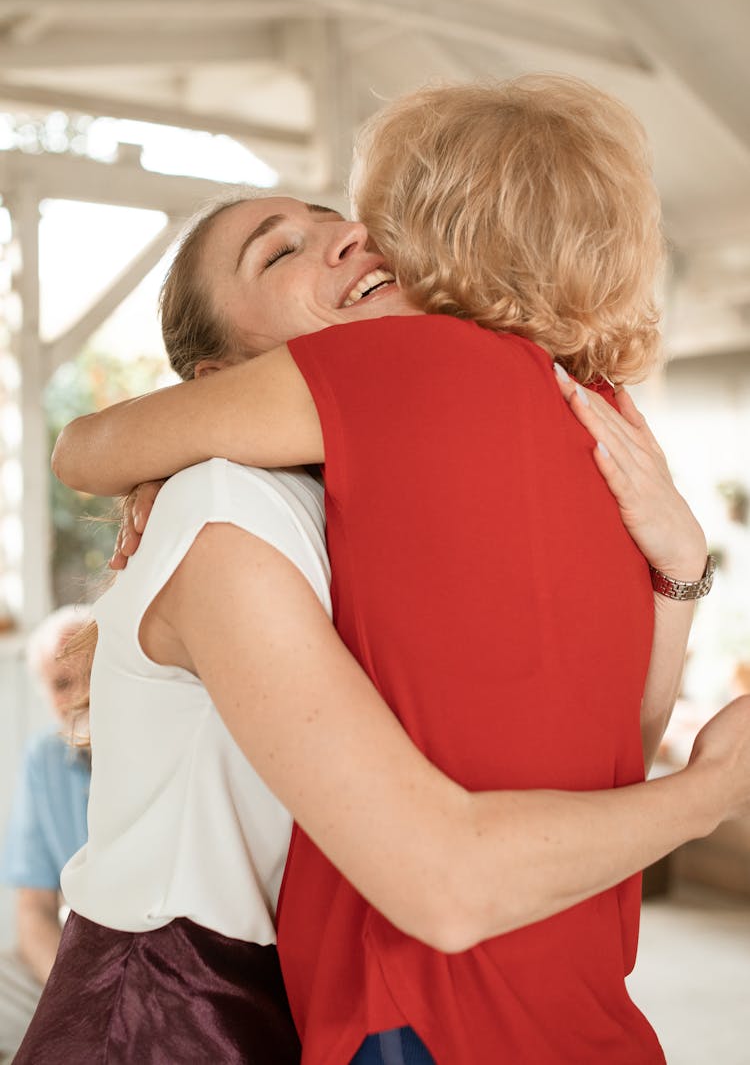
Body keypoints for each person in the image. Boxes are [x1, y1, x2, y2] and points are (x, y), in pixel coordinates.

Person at [48, 77, 750, 1065]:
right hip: (185, 1012)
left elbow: (584, 763)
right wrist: (706, 782)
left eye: (349, 220)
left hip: (394, 997)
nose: (346, 238)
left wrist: (679, 569)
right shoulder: (233, 502)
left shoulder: (412, 456)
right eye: (280, 249)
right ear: (218, 383)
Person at [0, 606, 91, 1059]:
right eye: (61, 683)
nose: (81, 696)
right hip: (73, 964)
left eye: (94, 673)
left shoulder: (155, 746)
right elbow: (33, 909)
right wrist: (72, 991)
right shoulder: (44, 758)